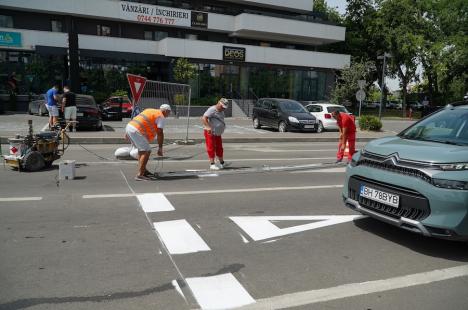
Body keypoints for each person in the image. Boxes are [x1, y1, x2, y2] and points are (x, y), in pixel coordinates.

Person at [125, 104, 171, 181]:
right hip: (136, 130)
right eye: (169, 112)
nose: (169, 115)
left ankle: (143, 171)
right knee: (146, 151)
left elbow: (137, 118)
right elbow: (160, 133)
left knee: (142, 150)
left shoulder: (150, 110)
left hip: (130, 127)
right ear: (165, 111)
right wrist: (160, 148)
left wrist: (127, 132)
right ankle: (140, 174)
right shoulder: (161, 117)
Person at [202, 98, 228, 170]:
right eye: (222, 106)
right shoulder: (212, 109)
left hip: (217, 133)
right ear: (219, 103)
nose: (223, 108)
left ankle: (222, 163)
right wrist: (208, 127)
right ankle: (212, 164)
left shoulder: (221, 111)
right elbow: (204, 118)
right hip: (211, 132)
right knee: (211, 147)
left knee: (219, 147)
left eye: (224, 107)